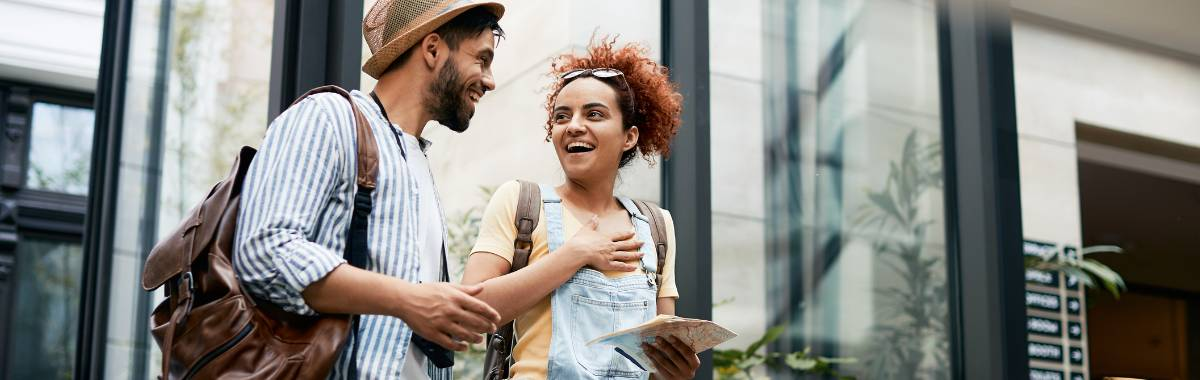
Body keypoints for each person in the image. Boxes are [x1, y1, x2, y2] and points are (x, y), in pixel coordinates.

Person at [234, 1, 509, 378]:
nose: (490, 79)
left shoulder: (416, 161)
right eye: (482, 59)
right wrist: (408, 300)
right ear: (432, 49)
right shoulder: (328, 117)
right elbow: (264, 251)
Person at [462, 37, 700, 379]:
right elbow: (470, 308)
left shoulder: (656, 226)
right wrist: (574, 254)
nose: (574, 125)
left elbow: (656, 359)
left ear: (629, 137)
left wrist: (671, 372)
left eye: (594, 114)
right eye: (562, 116)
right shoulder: (522, 203)